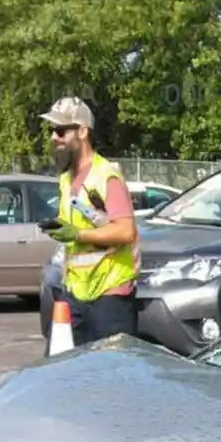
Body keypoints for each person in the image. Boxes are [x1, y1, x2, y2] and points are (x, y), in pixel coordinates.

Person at [40, 97, 140, 343]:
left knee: (111, 373)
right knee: (68, 368)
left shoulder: (106, 176)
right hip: (76, 291)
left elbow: (126, 232)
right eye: (52, 131)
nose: (54, 137)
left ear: (83, 132)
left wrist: (77, 234)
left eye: (61, 131)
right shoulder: (66, 179)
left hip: (110, 294)